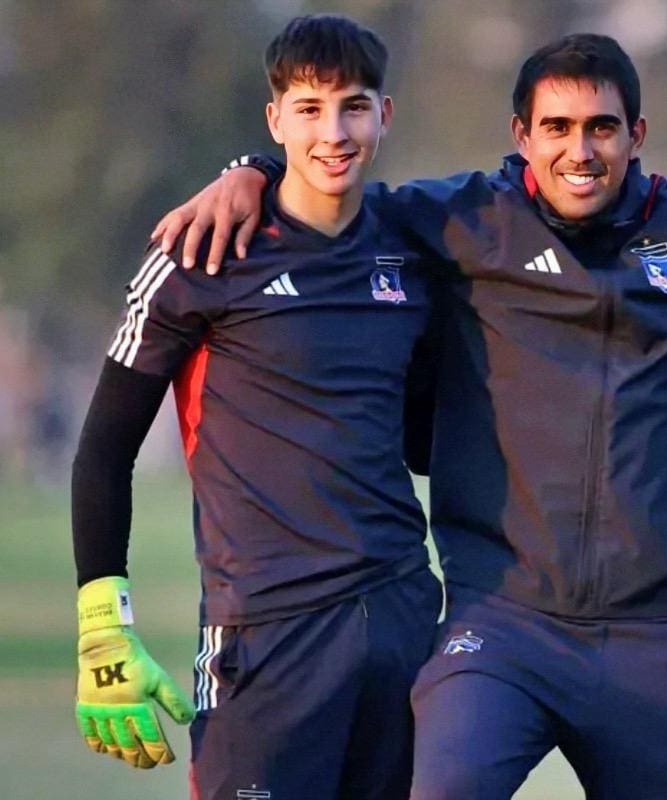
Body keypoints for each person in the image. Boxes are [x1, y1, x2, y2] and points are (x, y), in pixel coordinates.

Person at [152, 33, 667, 799]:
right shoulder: (457, 219)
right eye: (556, 128)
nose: (579, 149)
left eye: (601, 127)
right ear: (522, 135)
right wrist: (250, 171)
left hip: (666, 637)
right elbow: (329, 180)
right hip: (503, 623)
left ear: (636, 134)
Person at [70, 15, 441, 799]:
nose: (333, 132)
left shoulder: (413, 245)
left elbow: (422, 438)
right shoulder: (202, 251)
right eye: (308, 109)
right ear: (275, 121)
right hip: (264, 636)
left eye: (353, 105)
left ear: (385, 115)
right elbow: (104, 449)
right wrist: (104, 625)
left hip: (401, 621)